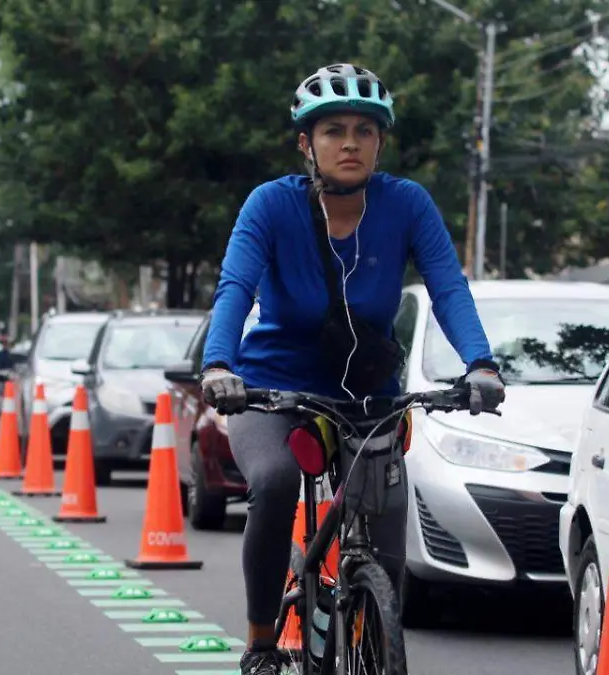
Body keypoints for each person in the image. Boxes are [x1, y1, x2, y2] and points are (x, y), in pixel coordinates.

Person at [198, 63, 507, 674]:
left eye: (365, 131)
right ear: (306, 144)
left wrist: (481, 365)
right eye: (333, 130)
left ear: (380, 142)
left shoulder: (406, 204)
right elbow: (236, 287)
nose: (349, 142)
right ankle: (263, 640)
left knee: (386, 528)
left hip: (369, 393)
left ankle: (373, 633)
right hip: (270, 390)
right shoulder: (271, 205)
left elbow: (447, 287)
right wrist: (218, 365)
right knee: (278, 483)